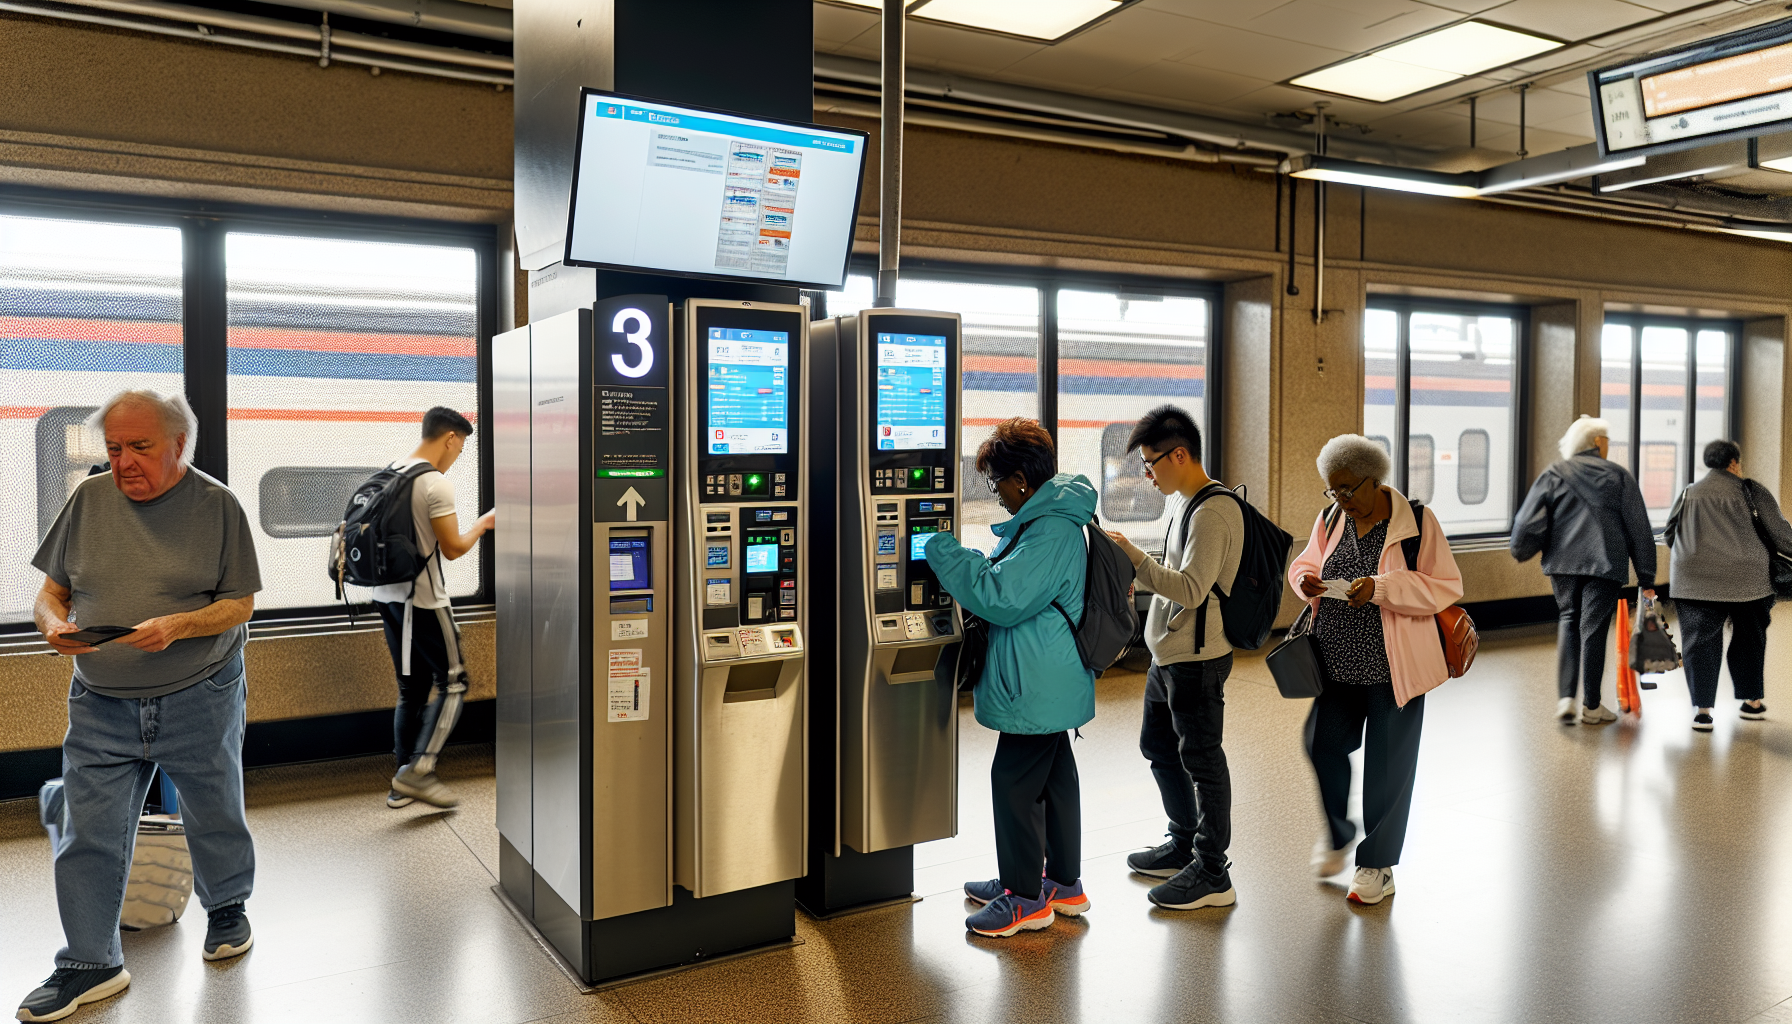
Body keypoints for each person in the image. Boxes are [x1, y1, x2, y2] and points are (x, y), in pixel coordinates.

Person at [20, 389, 263, 1022]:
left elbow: (239, 605)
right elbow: (49, 594)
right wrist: (51, 626)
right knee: (86, 828)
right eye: (113, 448)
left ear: (180, 445)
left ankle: (227, 909)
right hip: (102, 700)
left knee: (213, 809)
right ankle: (89, 962)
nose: (123, 461)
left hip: (199, 692)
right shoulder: (87, 501)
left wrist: (179, 626)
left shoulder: (218, 506)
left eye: (140, 447)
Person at [925, 418, 1098, 938]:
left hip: (1037, 685)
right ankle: (1063, 885)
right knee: (1056, 779)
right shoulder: (1047, 519)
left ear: (1021, 478)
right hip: (1049, 676)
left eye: (996, 482)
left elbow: (1002, 597)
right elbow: (1013, 580)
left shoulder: (1050, 529)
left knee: (1013, 782)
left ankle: (1024, 898)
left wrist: (942, 550)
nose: (996, 493)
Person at [1288, 434, 1461, 906]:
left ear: (1374, 480)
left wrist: (1381, 588)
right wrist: (1304, 580)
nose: (1341, 500)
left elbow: (1445, 586)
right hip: (1337, 663)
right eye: (1333, 490)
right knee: (1321, 745)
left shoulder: (1418, 522)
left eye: (1348, 489)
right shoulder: (1331, 518)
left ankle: (1377, 864)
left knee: (1387, 769)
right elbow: (1307, 561)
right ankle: (1341, 833)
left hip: (1393, 669)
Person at [1101, 405, 1242, 911]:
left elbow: (1192, 589)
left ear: (1179, 454)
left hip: (1198, 659)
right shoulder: (1185, 503)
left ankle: (1212, 871)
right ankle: (1184, 841)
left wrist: (1136, 560)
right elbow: (1178, 573)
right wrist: (1143, 565)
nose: (1147, 473)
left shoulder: (1214, 510)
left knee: (1203, 759)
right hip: (1170, 654)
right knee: (1158, 746)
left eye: (1151, 462)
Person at [370, 407, 494, 809]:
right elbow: (454, 548)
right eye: (459, 447)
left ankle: (400, 782)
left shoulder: (391, 470)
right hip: (425, 601)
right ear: (451, 439)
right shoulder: (434, 483)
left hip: (388, 599)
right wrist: (484, 523)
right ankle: (420, 771)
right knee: (454, 682)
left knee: (411, 691)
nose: (457, 455)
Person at [1510, 415, 1657, 725]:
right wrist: (1647, 577)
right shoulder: (1617, 475)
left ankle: (1566, 698)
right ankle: (1592, 705)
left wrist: (1520, 549)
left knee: (1568, 620)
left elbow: (1527, 521)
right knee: (1593, 629)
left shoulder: (1554, 473)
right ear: (1597, 442)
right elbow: (1639, 529)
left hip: (1562, 565)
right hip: (1605, 564)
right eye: (1607, 441)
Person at [1664, 439, 1792, 732]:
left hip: (1693, 582)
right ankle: (1752, 703)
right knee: (1749, 639)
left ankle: (1703, 712)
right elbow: (1781, 534)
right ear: (1734, 463)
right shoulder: (1751, 490)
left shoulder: (1688, 493)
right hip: (1749, 581)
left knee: (1700, 644)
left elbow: (1670, 533)